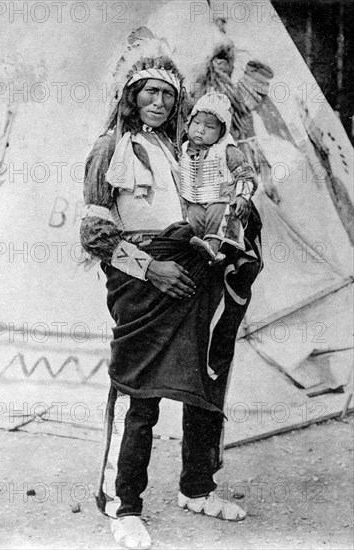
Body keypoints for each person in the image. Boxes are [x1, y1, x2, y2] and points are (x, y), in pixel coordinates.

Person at [80, 28, 262, 550]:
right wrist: (149, 268)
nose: (158, 102)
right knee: (140, 392)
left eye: (167, 94)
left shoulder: (182, 147)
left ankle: (197, 487)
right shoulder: (112, 146)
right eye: (148, 92)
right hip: (145, 278)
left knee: (203, 381)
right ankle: (122, 504)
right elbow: (94, 233)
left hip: (193, 268)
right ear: (131, 97)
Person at [180, 91, 258, 270]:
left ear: (222, 132)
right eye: (197, 123)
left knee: (219, 209)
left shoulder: (227, 151)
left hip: (220, 199)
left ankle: (214, 246)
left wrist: (242, 197)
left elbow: (246, 175)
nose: (201, 130)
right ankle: (202, 251)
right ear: (188, 124)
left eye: (210, 127)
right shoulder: (183, 149)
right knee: (192, 215)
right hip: (195, 201)